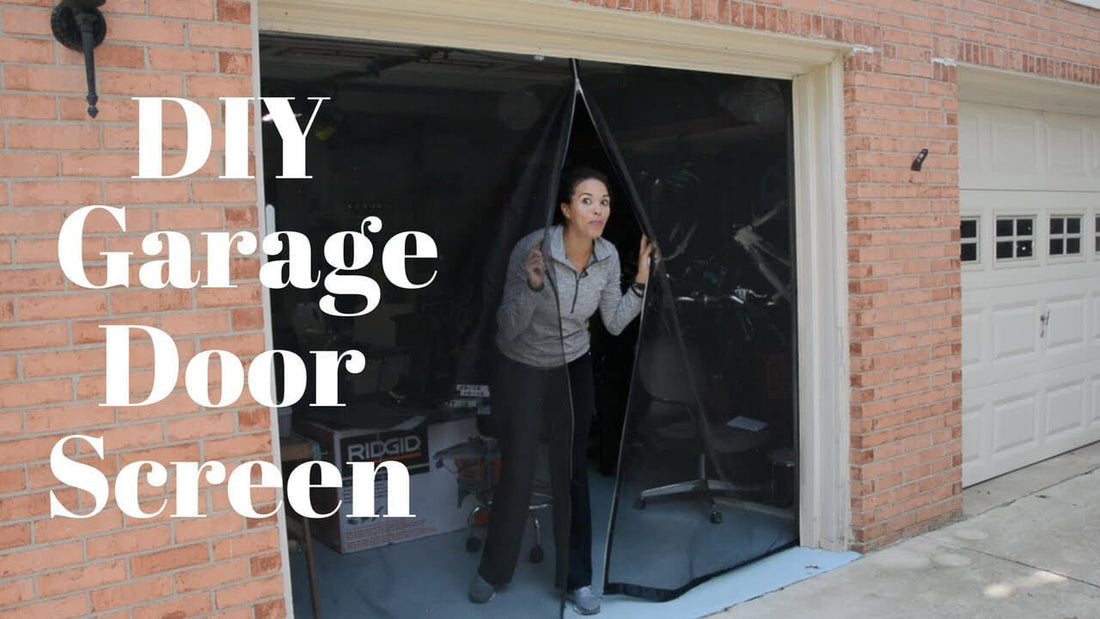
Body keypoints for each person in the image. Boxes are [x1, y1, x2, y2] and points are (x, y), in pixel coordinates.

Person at [469, 166, 653, 615]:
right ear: (567, 209)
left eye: (605, 201)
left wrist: (642, 279)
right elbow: (506, 332)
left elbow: (611, 321)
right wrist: (533, 287)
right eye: (587, 200)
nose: (598, 209)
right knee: (518, 470)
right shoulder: (531, 250)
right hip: (523, 368)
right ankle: (494, 572)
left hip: (573, 367)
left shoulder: (607, 256)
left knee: (572, 475)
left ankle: (578, 580)